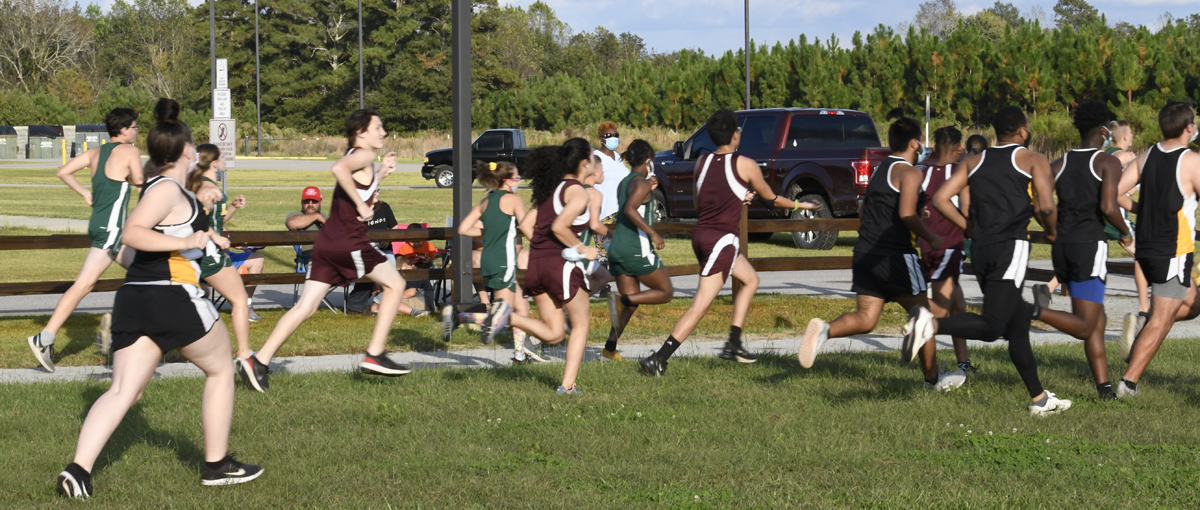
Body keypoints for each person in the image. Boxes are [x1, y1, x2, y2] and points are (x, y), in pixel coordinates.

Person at [56, 99, 262, 500]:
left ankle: (78, 471)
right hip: (171, 295)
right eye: (193, 146)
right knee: (221, 368)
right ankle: (217, 465)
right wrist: (187, 242)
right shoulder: (167, 188)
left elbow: (149, 240)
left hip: (136, 298)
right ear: (185, 150)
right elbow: (132, 233)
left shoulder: (164, 187)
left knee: (124, 391)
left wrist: (207, 234)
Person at [912, 105, 1072, 416]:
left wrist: (968, 228)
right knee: (994, 325)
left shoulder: (973, 161)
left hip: (982, 250)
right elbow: (1046, 207)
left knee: (1018, 321)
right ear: (1022, 130)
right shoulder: (1032, 159)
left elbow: (941, 199)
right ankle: (930, 324)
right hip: (1010, 248)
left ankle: (1040, 399)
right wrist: (1053, 232)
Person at [639, 109, 822, 376]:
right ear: (735, 135)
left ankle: (734, 343)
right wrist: (802, 205)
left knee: (750, 280)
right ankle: (658, 358)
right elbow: (771, 199)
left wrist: (735, 197)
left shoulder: (702, 162)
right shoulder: (745, 164)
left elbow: (701, 202)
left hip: (703, 235)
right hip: (721, 240)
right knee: (701, 304)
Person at [238, 109, 411, 392]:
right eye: (378, 127)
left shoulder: (363, 159)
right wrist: (362, 204)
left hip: (327, 242)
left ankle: (258, 361)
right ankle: (375, 353)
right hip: (348, 242)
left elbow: (360, 189)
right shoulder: (363, 154)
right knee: (396, 284)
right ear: (361, 132)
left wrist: (381, 174)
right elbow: (338, 170)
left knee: (305, 307)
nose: (383, 132)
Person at [796, 117, 958, 390]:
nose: (923, 146)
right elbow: (905, 214)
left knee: (867, 318)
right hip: (896, 255)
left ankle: (824, 330)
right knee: (924, 316)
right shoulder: (910, 173)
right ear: (914, 143)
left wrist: (914, 212)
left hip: (865, 253)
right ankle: (932, 380)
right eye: (921, 141)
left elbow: (870, 211)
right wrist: (930, 236)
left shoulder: (880, 170)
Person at [28, 108, 143, 371]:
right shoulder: (130, 152)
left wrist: (85, 193)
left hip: (101, 226)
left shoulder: (95, 152)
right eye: (135, 127)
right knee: (86, 284)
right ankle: (111, 331)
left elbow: (63, 172)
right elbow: (140, 182)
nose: (137, 132)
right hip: (113, 230)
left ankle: (48, 338)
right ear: (124, 129)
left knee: (141, 275)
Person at [1030, 101, 1130, 399]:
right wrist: (1126, 233)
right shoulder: (1107, 162)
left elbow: (1039, 206)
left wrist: (1053, 229)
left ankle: (1104, 389)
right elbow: (1109, 207)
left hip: (1062, 247)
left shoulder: (1057, 164)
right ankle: (1030, 311)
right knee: (1087, 325)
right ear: (1103, 130)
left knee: (1097, 320)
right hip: (1089, 246)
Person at [486, 138, 600, 394]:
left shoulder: (550, 190)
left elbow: (526, 225)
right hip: (561, 264)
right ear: (585, 163)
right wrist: (583, 249)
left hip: (537, 264)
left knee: (554, 333)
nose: (594, 161)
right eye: (592, 156)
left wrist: (543, 248)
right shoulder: (578, 191)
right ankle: (567, 386)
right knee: (581, 324)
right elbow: (559, 227)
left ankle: (506, 317)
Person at [1112, 100, 1200, 398]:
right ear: (1189, 127)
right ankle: (1128, 384)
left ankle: (1142, 326)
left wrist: (1142, 208)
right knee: (1161, 320)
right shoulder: (1191, 161)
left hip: (1146, 249)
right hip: (1173, 251)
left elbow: (1115, 193)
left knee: (1194, 304)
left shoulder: (1146, 156)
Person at [444, 161, 543, 362]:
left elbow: (463, 229)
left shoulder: (486, 201)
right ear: (507, 180)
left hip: (489, 260)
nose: (519, 181)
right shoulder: (514, 199)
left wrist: (490, 232)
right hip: (504, 261)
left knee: (522, 307)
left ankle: (519, 354)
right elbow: (525, 225)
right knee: (502, 313)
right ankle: (459, 315)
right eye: (516, 177)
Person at [189, 144, 266, 362]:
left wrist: (231, 207)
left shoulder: (207, 186)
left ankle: (239, 352)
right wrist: (216, 237)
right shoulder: (205, 188)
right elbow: (196, 221)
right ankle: (243, 354)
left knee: (205, 303)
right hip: (210, 255)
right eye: (222, 158)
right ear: (214, 163)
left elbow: (215, 220)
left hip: (215, 254)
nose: (224, 161)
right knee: (240, 300)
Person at [603, 140, 674, 361]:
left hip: (617, 249)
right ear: (648, 160)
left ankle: (609, 348)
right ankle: (621, 300)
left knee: (632, 302)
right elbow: (630, 209)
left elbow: (633, 200)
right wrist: (654, 234)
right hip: (636, 248)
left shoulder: (624, 183)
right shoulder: (641, 183)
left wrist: (648, 189)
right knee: (666, 292)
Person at [916, 127, 975, 381]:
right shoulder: (959, 172)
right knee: (939, 311)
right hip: (949, 245)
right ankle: (916, 327)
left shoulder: (921, 172)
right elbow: (968, 209)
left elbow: (911, 206)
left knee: (958, 304)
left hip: (929, 244)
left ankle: (964, 362)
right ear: (959, 147)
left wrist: (921, 213)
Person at [346, 189, 398, 315]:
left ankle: (375, 304)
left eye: (378, 190)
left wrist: (387, 238)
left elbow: (395, 228)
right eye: (373, 191)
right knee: (372, 267)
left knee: (390, 267)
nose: (377, 193)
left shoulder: (384, 207)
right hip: (364, 251)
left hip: (385, 250)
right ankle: (356, 305)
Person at [372, 222, 435, 318]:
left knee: (391, 303)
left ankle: (416, 313)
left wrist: (391, 297)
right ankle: (383, 310)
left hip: (423, 302)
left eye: (399, 271)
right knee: (377, 306)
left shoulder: (414, 273)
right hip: (411, 299)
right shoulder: (404, 250)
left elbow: (411, 292)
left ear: (405, 266)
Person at [591, 121, 628, 273]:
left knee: (621, 252)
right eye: (609, 135)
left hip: (621, 211)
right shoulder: (596, 157)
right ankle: (600, 283)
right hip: (605, 212)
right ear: (601, 139)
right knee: (603, 253)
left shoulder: (618, 157)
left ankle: (621, 282)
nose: (613, 138)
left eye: (615, 135)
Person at [285, 186, 327, 260]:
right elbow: (291, 224)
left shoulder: (325, 217)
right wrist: (317, 216)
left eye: (314, 201)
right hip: (312, 261)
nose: (310, 205)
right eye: (307, 201)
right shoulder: (297, 215)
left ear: (321, 203)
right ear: (302, 203)